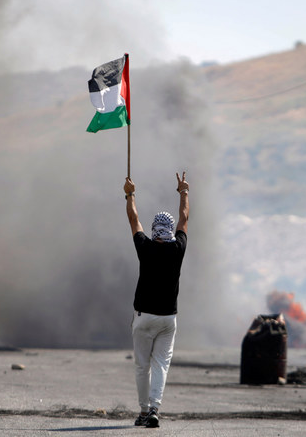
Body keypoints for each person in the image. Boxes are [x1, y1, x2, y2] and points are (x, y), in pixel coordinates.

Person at [123, 172, 189, 428]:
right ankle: (154, 409)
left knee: (142, 366)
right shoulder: (178, 249)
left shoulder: (145, 247)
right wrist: (183, 191)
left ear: (154, 230)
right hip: (168, 319)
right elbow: (184, 217)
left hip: (143, 317)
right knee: (161, 364)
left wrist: (130, 193)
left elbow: (133, 219)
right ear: (170, 231)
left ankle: (142, 412)